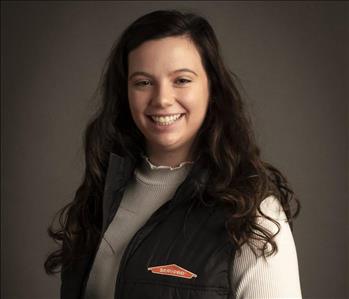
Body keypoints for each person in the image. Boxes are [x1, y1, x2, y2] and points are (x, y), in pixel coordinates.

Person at [45, 9, 302, 299]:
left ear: (212, 88)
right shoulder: (100, 196)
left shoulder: (250, 211)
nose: (162, 99)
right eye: (143, 82)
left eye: (181, 80)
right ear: (125, 92)